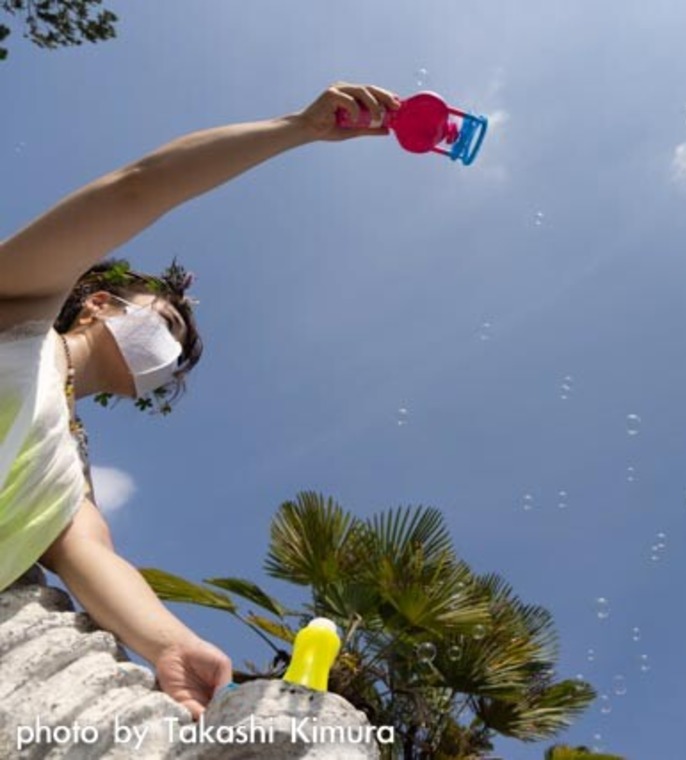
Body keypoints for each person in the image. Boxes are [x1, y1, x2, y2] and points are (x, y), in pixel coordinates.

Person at [0, 81, 401, 719]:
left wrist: (171, 644)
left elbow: (89, 558)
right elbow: (139, 184)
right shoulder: (17, 311)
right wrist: (298, 127)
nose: (169, 355)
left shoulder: (67, 466)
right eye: (168, 325)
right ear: (99, 302)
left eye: (178, 358)